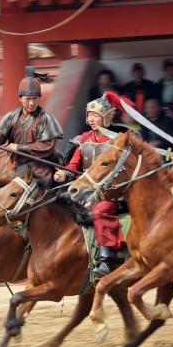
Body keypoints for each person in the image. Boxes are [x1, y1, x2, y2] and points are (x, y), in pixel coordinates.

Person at [54, 93, 126, 276]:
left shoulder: (116, 140)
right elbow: (73, 165)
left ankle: (108, 259)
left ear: (106, 117)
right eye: (89, 115)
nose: (91, 119)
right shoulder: (83, 139)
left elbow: (121, 169)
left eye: (95, 115)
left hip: (109, 190)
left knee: (100, 211)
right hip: (85, 188)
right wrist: (64, 173)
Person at [0, 66, 64, 179]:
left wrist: (19, 147)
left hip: (41, 169)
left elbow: (46, 146)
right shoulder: (11, 117)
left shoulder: (46, 119)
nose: (31, 103)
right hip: (20, 168)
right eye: (27, 99)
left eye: (35, 99)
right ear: (20, 99)